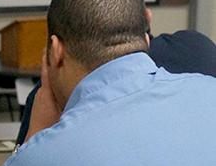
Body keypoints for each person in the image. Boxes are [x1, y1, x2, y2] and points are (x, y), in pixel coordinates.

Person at [3, 0, 216, 166]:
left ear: (56, 51)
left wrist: (32, 140)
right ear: (145, 39)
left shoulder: (35, 165)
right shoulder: (210, 88)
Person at [15, 29, 216, 145]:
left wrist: (36, 132)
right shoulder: (199, 51)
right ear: (146, 36)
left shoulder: (48, 97)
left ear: (57, 50)